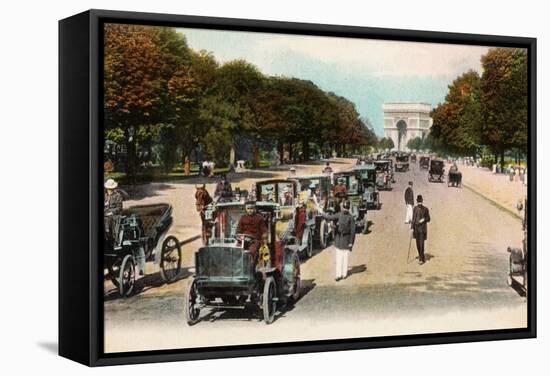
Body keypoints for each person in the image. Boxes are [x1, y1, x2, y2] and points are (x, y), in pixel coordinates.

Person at [323, 200, 356, 281]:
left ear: (348, 209)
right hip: (339, 239)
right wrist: (322, 213)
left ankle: (344, 274)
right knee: (339, 258)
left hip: (346, 240)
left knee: (345, 258)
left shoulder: (351, 218)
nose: (345, 209)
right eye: (344, 208)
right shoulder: (339, 215)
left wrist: (351, 243)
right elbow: (329, 217)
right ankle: (338, 275)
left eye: (346, 208)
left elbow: (353, 231)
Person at [104, 178, 125, 248]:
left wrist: (112, 212)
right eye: (108, 188)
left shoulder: (118, 196)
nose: (109, 190)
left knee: (111, 220)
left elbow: (119, 208)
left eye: (110, 188)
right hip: (106, 213)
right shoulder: (105, 195)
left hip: (115, 215)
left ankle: (114, 242)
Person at [411, 195, 431, 265]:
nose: (419, 203)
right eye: (418, 202)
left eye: (420, 202)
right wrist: (411, 228)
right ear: (417, 202)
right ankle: (420, 255)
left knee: (421, 244)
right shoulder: (415, 209)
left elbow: (428, 218)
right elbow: (413, 219)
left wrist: (423, 219)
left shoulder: (425, 209)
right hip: (416, 229)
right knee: (417, 244)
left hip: (422, 230)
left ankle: (421, 259)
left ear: (422, 201)